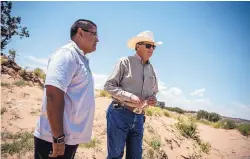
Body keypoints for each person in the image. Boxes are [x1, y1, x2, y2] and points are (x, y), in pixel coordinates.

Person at [33, 19, 99, 159]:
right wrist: (58, 138)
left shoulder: (80, 58)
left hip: (67, 139)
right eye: (94, 34)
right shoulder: (66, 54)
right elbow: (53, 94)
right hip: (53, 140)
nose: (98, 39)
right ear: (80, 33)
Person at [104, 31, 162, 159]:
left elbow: (154, 92)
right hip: (120, 113)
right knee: (115, 155)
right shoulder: (124, 62)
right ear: (137, 46)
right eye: (148, 45)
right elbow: (109, 86)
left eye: (153, 46)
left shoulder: (152, 69)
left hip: (140, 118)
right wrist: (130, 97)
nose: (151, 49)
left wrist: (153, 99)